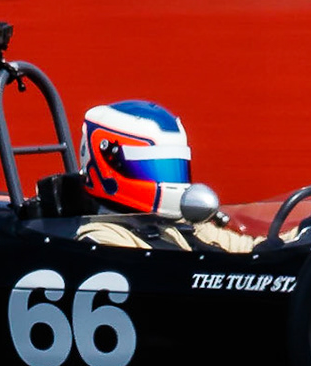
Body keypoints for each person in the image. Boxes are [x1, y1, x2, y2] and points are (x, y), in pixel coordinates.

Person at [74, 101, 256, 253]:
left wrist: (274, 246)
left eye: (173, 167)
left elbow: (252, 250)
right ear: (108, 166)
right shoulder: (100, 238)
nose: (171, 181)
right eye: (150, 167)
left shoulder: (182, 227)